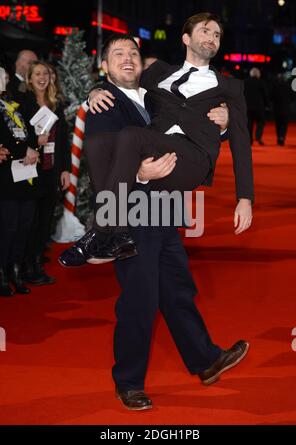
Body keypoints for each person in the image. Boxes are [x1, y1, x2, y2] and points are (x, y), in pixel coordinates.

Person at [64, 34, 249, 410]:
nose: (128, 59)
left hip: (165, 211)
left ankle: (205, 359)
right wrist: (141, 175)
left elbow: (192, 123)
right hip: (130, 215)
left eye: (133, 53)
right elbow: (101, 165)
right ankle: (128, 382)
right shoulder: (105, 104)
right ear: (105, 66)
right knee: (139, 300)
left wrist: (225, 122)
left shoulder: (154, 96)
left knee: (177, 289)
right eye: (118, 55)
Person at [61, 12, 253, 266]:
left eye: (216, 34)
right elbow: (125, 80)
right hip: (157, 146)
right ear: (186, 38)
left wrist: (245, 199)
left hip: (193, 157)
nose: (212, 38)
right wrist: (95, 91)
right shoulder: (160, 73)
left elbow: (241, 144)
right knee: (98, 143)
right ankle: (119, 236)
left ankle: (103, 230)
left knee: (131, 135)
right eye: (205, 31)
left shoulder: (230, 87)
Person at [21, 61, 71, 286]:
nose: (42, 77)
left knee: (45, 221)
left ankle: (36, 264)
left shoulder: (56, 104)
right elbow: (18, 137)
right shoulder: (22, 103)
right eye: (37, 74)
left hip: (52, 170)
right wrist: (34, 140)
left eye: (46, 74)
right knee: (30, 222)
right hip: (31, 171)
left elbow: (62, 141)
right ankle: (25, 266)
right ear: (29, 78)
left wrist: (65, 170)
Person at [0, 66, 39, 297]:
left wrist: (31, 146)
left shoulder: (12, 105)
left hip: (25, 174)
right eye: (1, 75)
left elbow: (30, 132)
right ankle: (3, 274)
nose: (5, 79)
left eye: (5, 75)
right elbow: (5, 138)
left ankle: (16, 271)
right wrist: (24, 148)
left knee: (25, 225)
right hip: (5, 176)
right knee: (8, 227)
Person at [244, 67, 269, 146]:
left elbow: (241, 94)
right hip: (259, 107)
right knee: (261, 122)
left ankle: (250, 139)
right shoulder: (261, 82)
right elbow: (265, 95)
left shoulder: (245, 82)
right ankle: (258, 137)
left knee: (249, 124)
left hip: (248, 107)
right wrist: (267, 104)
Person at [271, 73, 292, 146]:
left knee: (278, 124)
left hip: (277, 108)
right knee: (284, 124)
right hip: (286, 108)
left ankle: (279, 137)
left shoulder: (275, 86)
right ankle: (282, 137)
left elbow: (271, 97)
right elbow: (292, 97)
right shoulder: (288, 86)